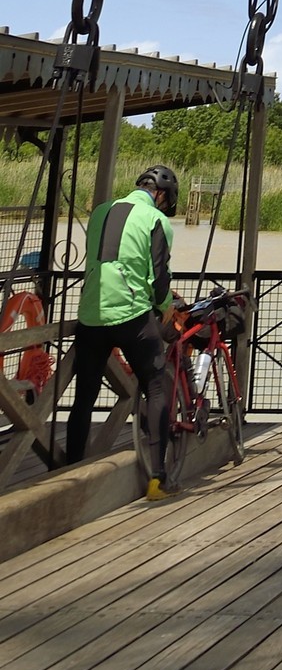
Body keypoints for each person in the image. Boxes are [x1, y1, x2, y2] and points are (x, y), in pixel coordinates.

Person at [63, 163, 182, 499]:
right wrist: (166, 307)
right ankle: (158, 479)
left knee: (84, 395)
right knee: (156, 388)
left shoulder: (101, 211)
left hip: (91, 316)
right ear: (161, 195)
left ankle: (71, 471)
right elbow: (158, 278)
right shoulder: (156, 221)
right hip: (132, 318)